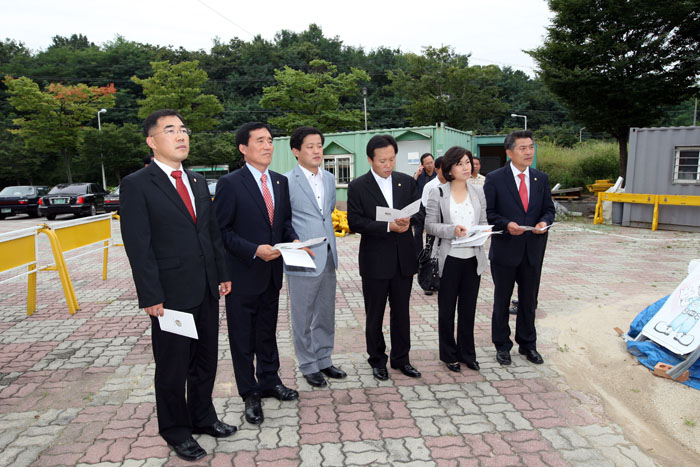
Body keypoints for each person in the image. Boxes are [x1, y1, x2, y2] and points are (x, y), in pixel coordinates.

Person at [120, 109, 235, 462]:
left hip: (204, 288)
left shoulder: (198, 181)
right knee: (172, 367)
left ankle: (203, 417)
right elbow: (138, 245)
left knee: (205, 360)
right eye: (171, 130)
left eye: (184, 129)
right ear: (152, 141)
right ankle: (175, 430)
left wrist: (222, 273)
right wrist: (151, 295)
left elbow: (211, 233)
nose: (181, 136)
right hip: (169, 294)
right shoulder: (137, 184)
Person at [214, 122, 302, 426]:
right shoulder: (230, 183)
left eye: (270, 141)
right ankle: (249, 393)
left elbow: (284, 223)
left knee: (266, 332)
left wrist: (293, 240)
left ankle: (270, 380)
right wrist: (254, 249)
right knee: (242, 338)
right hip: (242, 273)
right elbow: (221, 231)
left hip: (271, 273)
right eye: (260, 141)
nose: (267, 146)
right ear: (243, 148)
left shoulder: (279, 182)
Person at [347, 134, 421, 381]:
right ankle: (377, 360)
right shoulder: (358, 186)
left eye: (391, 159)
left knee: (401, 313)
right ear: (370, 159)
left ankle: (402, 359)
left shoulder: (406, 182)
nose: (388, 165)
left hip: (403, 260)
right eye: (382, 161)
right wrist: (388, 226)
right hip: (375, 261)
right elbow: (355, 222)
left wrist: (409, 219)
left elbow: (420, 212)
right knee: (375, 314)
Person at [484, 130, 555, 366]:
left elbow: (548, 209)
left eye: (531, 147)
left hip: (532, 250)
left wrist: (544, 222)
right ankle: (502, 345)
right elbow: (489, 213)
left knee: (528, 300)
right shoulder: (494, 178)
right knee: (502, 300)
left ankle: (528, 344)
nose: (528, 152)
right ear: (509, 152)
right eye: (522, 148)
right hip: (506, 249)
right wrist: (507, 225)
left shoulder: (540, 178)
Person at [284, 126, 346, 388]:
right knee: (302, 315)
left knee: (325, 312)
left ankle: (324, 358)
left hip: (328, 253)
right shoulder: (285, 181)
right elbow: (284, 219)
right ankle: (307, 364)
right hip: (303, 256)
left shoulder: (330, 179)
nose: (317, 150)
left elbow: (327, 212)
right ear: (296, 151)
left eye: (319, 145)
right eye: (310, 146)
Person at [425, 147, 488, 373]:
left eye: (468, 162)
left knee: (468, 309)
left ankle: (467, 353)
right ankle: (449, 354)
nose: (466, 167)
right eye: (460, 163)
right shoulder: (438, 193)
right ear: (450, 168)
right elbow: (430, 225)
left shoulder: (478, 192)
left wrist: (483, 232)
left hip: (473, 258)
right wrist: (453, 230)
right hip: (449, 259)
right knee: (447, 310)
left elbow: (483, 220)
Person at [412, 153, 437, 257]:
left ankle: (429, 254)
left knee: (431, 232)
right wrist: (417, 174)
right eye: (427, 163)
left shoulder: (438, 174)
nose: (430, 165)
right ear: (422, 165)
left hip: (433, 208)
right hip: (420, 208)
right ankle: (418, 255)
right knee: (418, 232)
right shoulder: (420, 175)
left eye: (431, 162)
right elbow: (411, 186)